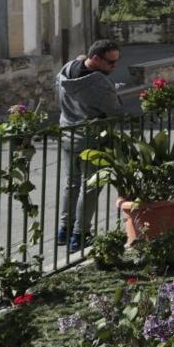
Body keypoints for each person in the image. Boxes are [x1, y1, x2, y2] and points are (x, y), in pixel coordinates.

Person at [55, 39, 124, 251]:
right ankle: (81, 234)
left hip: (68, 132)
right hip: (92, 140)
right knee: (90, 187)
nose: (114, 67)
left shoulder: (66, 71)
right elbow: (116, 112)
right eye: (111, 63)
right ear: (94, 58)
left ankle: (64, 230)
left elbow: (79, 60)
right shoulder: (101, 85)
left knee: (71, 183)